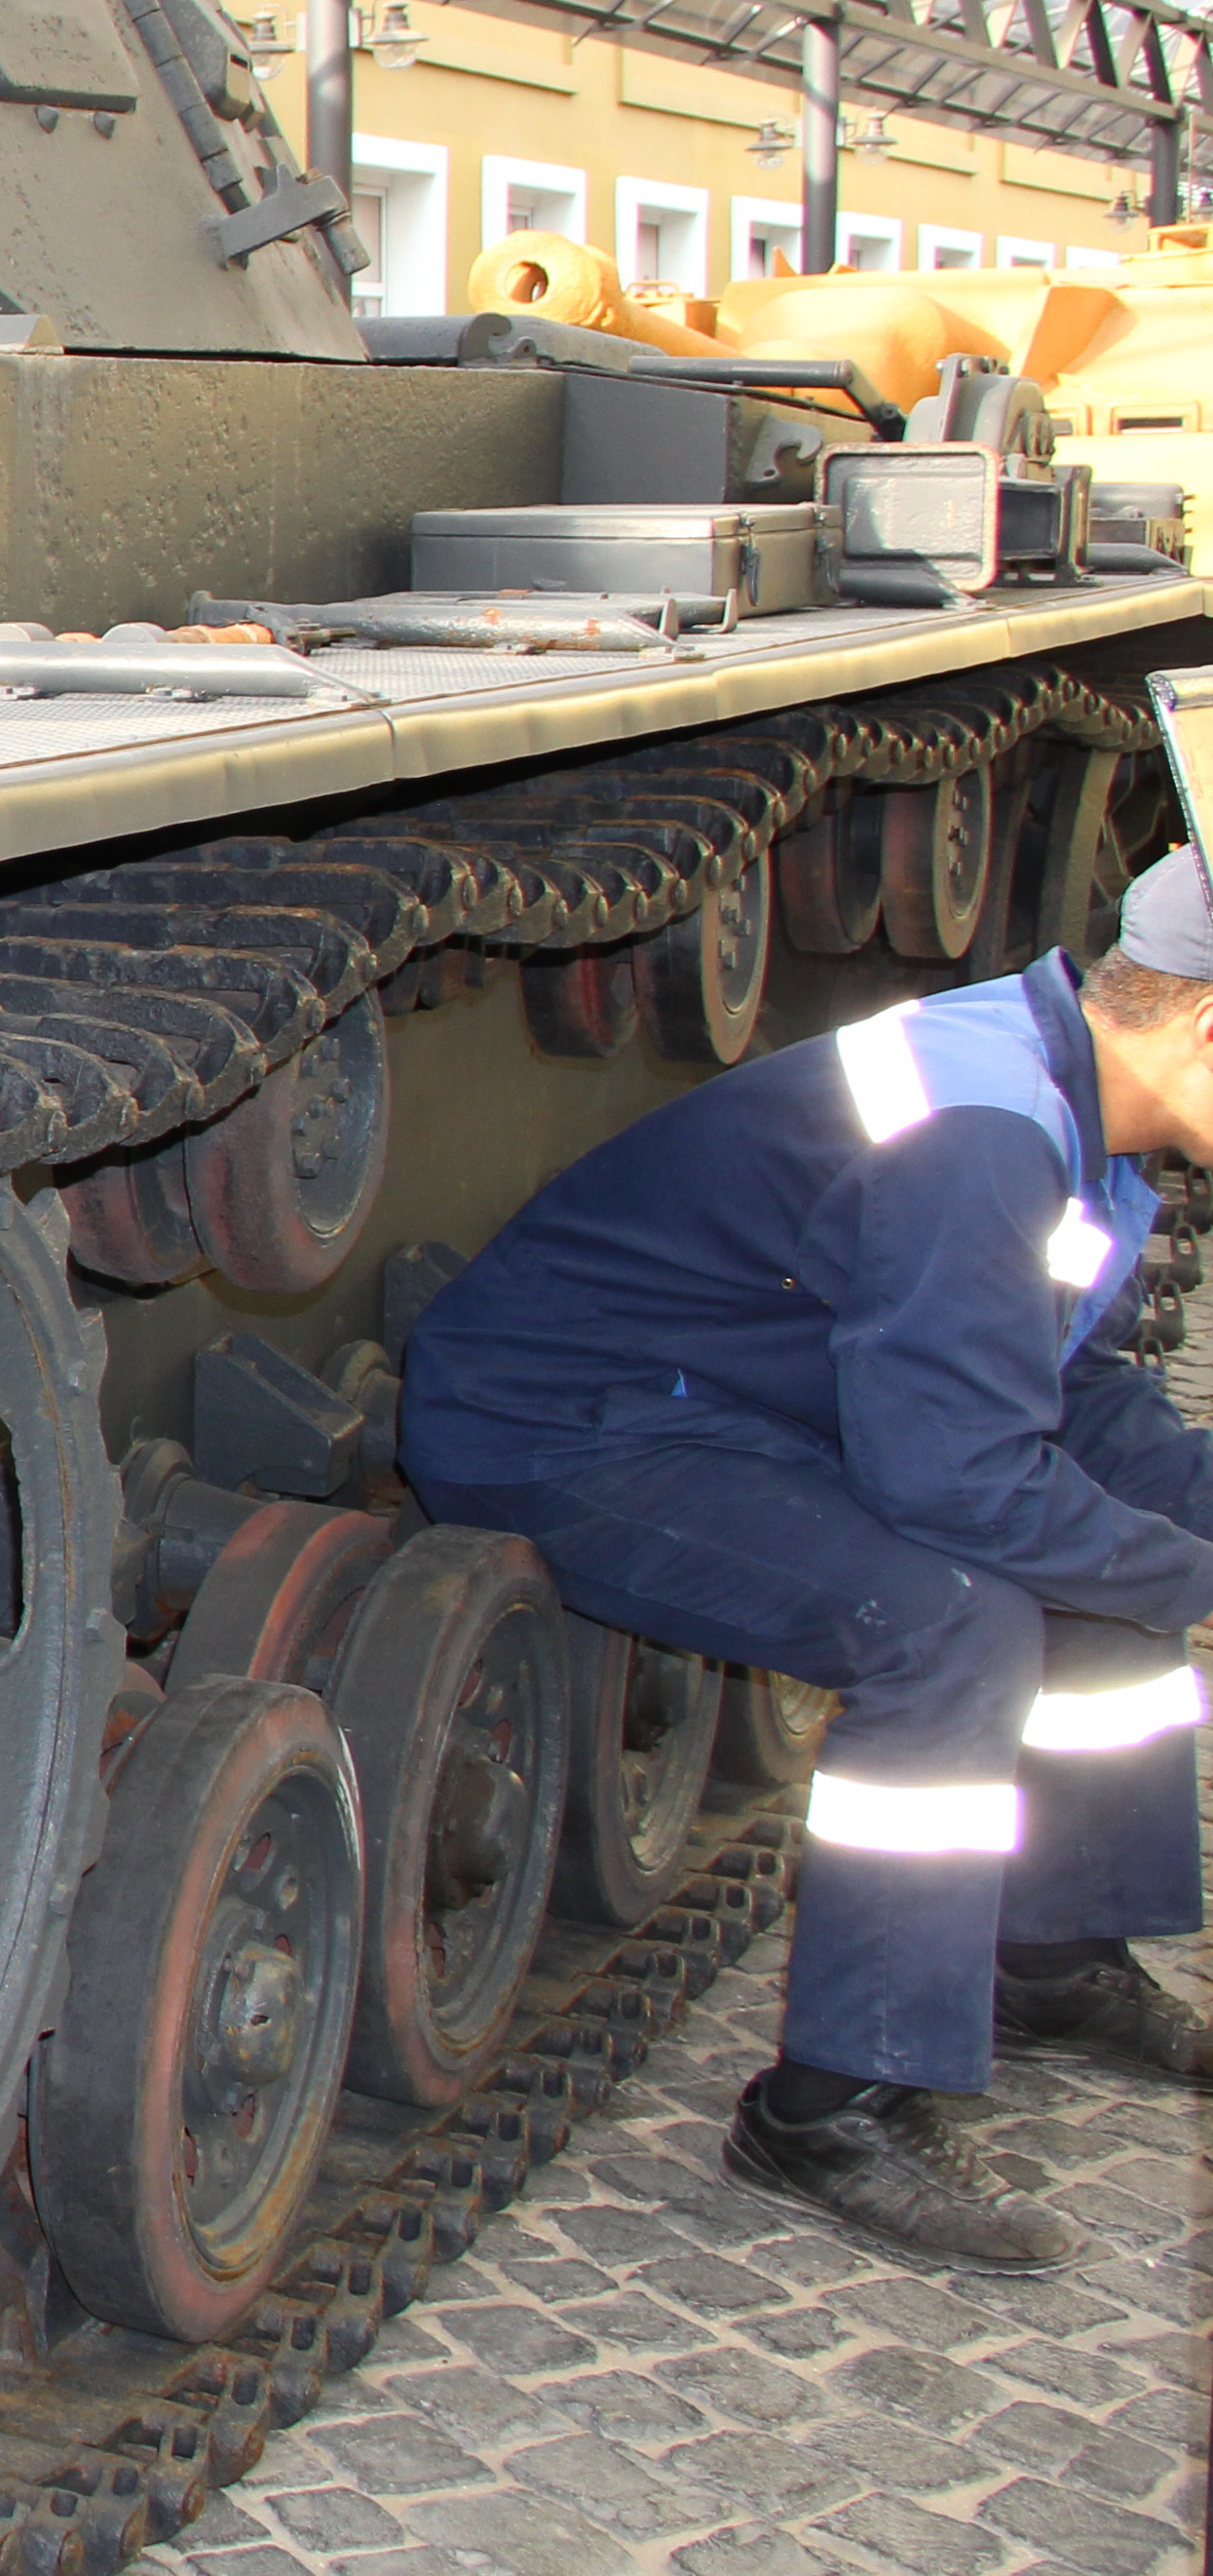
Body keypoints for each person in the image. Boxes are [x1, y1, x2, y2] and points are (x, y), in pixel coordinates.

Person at [401, 850, 1213, 2271]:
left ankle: (1055, 1950)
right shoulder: (990, 1132)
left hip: (743, 1396)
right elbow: (960, 1479)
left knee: (1114, 1551)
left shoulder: (1076, 1104)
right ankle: (833, 2108)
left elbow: (1066, 1389)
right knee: (952, 1626)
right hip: (568, 1422)